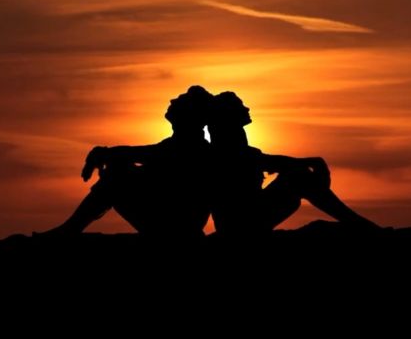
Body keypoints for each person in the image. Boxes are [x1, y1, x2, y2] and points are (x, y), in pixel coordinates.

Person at [37, 86, 214, 238]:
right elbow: (145, 164)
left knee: (116, 176)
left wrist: (105, 155)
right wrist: (109, 157)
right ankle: (70, 228)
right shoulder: (177, 144)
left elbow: (146, 157)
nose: (172, 100)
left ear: (190, 114)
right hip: (169, 219)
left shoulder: (192, 147)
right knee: (117, 171)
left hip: (177, 227)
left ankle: (70, 230)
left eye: (180, 100)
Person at [207, 91, 380, 236]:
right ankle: (360, 224)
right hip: (241, 224)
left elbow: (264, 161)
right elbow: (264, 162)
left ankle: (357, 223)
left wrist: (307, 163)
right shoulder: (225, 148)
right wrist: (311, 163)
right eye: (240, 105)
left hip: (247, 217)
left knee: (298, 176)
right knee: (299, 177)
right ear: (229, 114)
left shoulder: (235, 146)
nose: (247, 108)